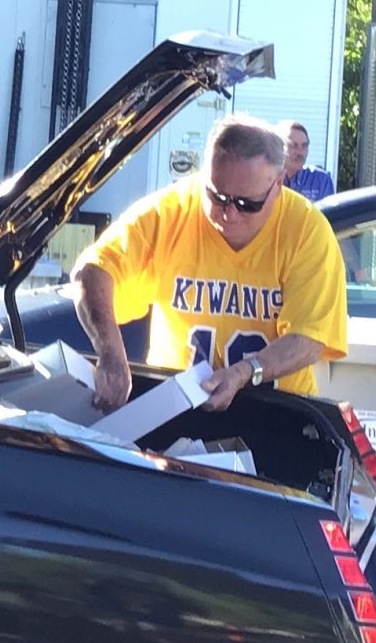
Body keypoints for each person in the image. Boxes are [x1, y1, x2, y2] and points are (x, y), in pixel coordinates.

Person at [73, 114, 351, 417]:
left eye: (248, 204)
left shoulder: (306, 230)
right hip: (175, 409)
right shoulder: (173, 212)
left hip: (275, 415)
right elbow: (93, 270)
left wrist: (245, 372)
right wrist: (111, 354)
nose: (229, 213)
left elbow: (307, 339)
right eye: (216, 196)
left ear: (280, 183)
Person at [282, 122, 336, 200]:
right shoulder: (269, 180)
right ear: (280, 147)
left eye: (304, 145)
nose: (300, 152)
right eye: (294, 146)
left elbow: (328, 211)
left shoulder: (321, 180)